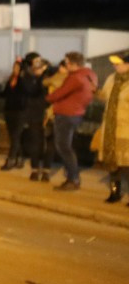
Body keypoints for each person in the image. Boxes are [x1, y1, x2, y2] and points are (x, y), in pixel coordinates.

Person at [45, 51, 97, 191]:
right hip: (77, 113)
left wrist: (48, 98)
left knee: (63, 147)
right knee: (66, 146)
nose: (65, 65)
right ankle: (72, 177)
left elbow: (60, 93)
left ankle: (73, 178)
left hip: (66, 114)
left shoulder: (75, 77)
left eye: (67, 62)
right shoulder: (90, 75)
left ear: (73, 64)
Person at [96, 52, 129, 204]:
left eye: (118, 63)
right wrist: (95, 92)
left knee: (127, 163)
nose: (114, 66)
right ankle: (114, 192)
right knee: (112, 162)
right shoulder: (111, 79)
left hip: (125, 129)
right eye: (114, 63)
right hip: (110, 128)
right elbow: (105, 96)